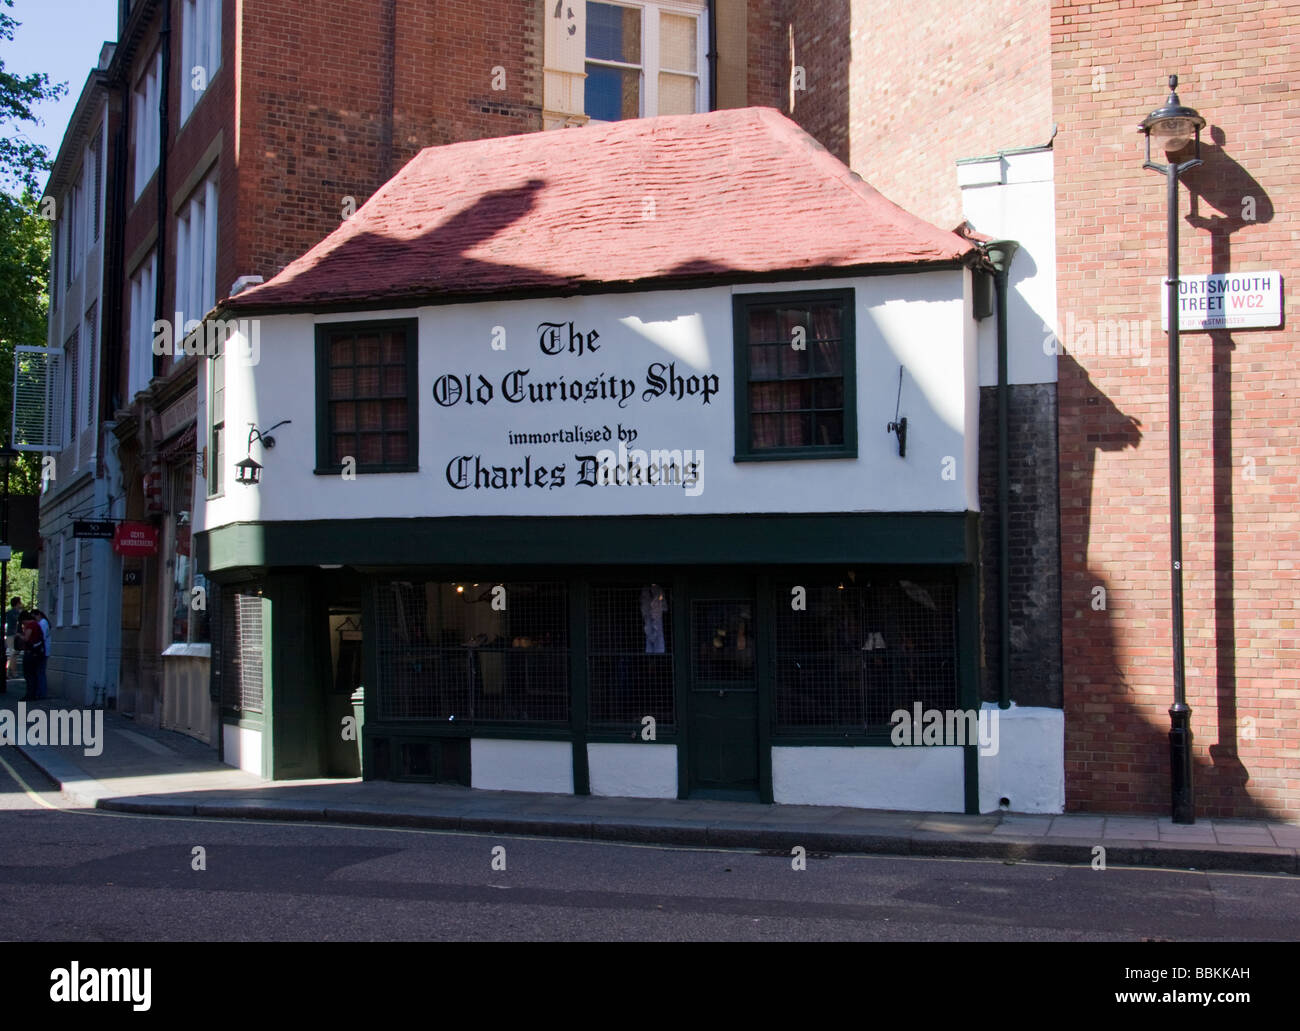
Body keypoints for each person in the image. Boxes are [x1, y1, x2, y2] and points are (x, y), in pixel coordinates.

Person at [16, 610, 44, 703]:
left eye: (23, 622)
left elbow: (26, 638)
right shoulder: (36, 624)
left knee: (29, 674)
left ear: (24, 620)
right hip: (36, 652)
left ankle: (30, 695)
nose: (23, 624)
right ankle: (34, 694)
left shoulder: (31, 625)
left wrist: (19, 635)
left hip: (31, 652)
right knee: (34, 674)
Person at [31, 608, 50, 699]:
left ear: (38, 615)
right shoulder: (43, 622)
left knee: (40, 672)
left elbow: (42, 636)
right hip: (44, 650)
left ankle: (41, 693)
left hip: (43, 650)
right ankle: (40, 692)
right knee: (40, 672)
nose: (35, 620)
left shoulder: (43, 623)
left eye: (35, 617)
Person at [3, 597, 19, 684]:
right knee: (13, 654)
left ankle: (9, 672)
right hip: (14, 635)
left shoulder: (8, 613)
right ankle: (12, 672)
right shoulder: (17, 613)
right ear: (17, 604)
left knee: (10, 654)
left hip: (9, 634)